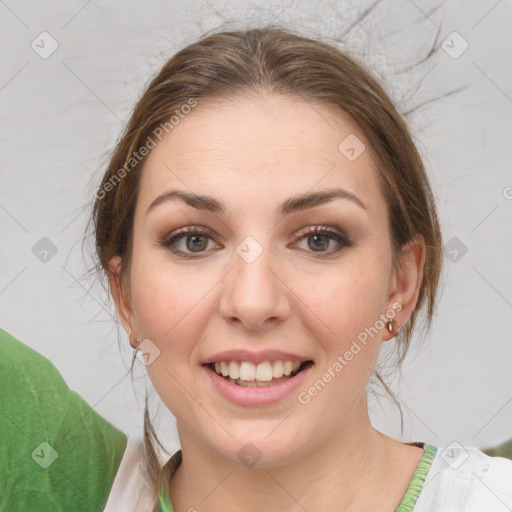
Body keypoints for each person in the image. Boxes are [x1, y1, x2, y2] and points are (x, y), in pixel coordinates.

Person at [1, 24, 512, 512]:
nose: (252, 302)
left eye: (318, 239)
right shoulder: (65, 486)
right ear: (126, 295)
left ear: (401, 284)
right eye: (194, 240)